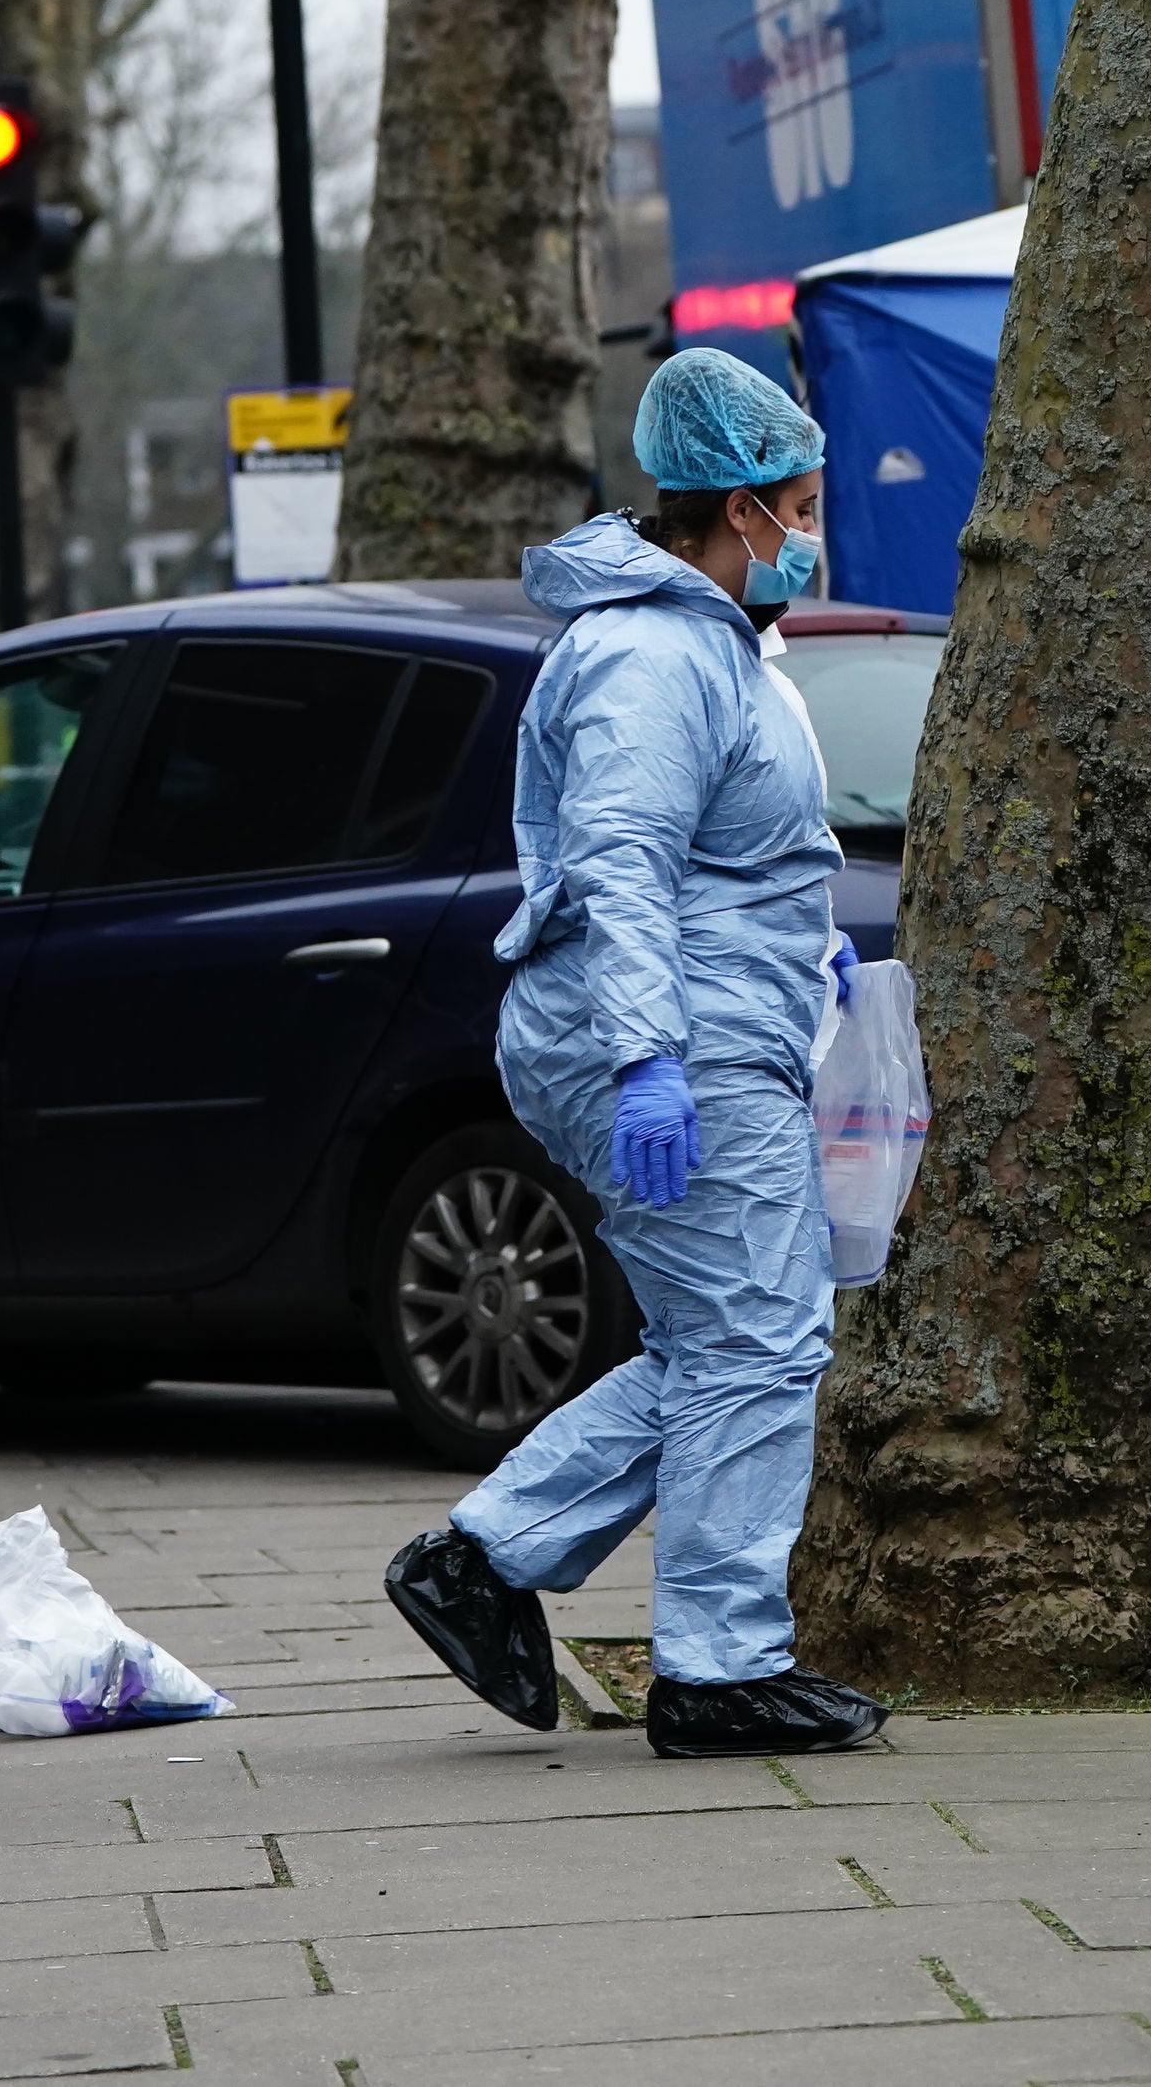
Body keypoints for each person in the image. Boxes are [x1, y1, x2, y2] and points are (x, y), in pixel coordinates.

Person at [385, 349, 891, 1761]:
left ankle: (486, 1555)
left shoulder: (710, 640)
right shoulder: (649, 653)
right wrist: (649, 1057)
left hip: (713, 1023)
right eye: (798, 504)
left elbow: (723, 853)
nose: (810, 531)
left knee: (730, 1338)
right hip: (672, 1041)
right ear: (736, 511)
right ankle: (720, 1667)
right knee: (756, 1340)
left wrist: (809, 955)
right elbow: (620, 861)